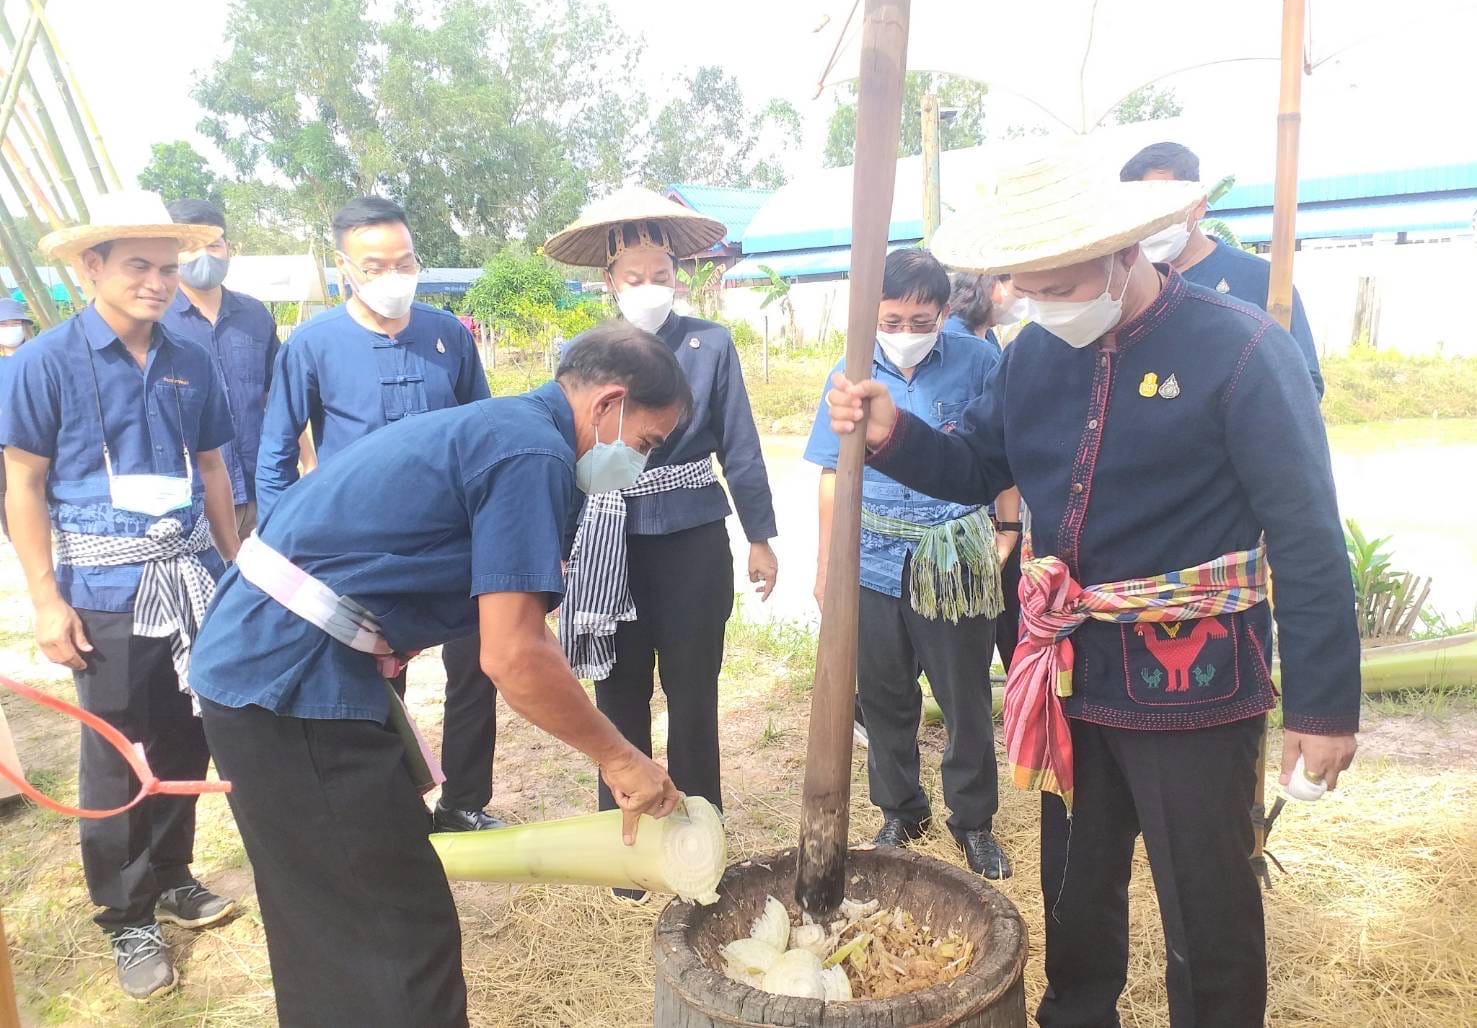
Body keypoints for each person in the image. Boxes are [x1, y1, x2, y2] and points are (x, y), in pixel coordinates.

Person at [825, 149, 1360, 1028]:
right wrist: (893, 436)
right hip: (1068, 672)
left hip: (1194, 679)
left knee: (1208, 896)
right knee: (1073, 886)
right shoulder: (1033, 355)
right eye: (1027, 290)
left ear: (1124, 255)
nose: (1046, 307)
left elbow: (1306, 535)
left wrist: (1323, 707)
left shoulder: (1240, 348)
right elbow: (981, 466)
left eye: (1063, 286)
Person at [188, 322, 688, 1027]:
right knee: (394, 932)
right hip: (289, 678)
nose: (637, 463)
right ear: (608, 404)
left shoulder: (507, 427)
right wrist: (619, 756)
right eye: (645, 444)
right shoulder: (532, 452)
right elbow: (512, 654)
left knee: (332, 918)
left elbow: (510, 620)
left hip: (281, 663)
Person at [0, 191, 244, 1000]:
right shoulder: (43, 364)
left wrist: (232, 568)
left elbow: (212, 468)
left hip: (188, 575)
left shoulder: (190, 357)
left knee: (185, 736)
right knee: (115, 753)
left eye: (168, 267)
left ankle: (171, 876)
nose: (158, 281)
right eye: (137, 265)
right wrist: (45, 597)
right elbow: (24, 485)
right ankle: (125, 914)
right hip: (103, 585)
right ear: (90, 266)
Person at [548, 189, 778, 900]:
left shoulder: (712, 343)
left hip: (690, 538)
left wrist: (760, 535)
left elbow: (739, 444)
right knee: (616, 692)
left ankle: (695, 830)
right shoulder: (581, 353)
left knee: (693, 690)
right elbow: (564, 447)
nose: (649, 288)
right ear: (609, 280)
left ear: (680, 275)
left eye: (661, 275)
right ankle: (626, 845)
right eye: (633, 276)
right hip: (606, 537)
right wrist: (555, 546)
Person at [255, 196, 503, 833]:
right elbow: (277, 452)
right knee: (371, 676)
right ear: (345, 270)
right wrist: (288, 552)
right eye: (376, 266)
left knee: (477, 665)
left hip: (456, 540)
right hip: (361, 549)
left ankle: (464, 801)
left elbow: (487, 429)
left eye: (406, 261)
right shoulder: (312, 346)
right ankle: (391, 806)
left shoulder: (448, 334)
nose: (394, 276)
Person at [805, 249, 1012, 879]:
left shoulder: (981, 362)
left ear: (944, 312)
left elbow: (1002, 455)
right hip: (871, 561)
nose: (904, 334)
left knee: (964, 698)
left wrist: (1007, 530)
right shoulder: (849, 371)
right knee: (884, 695)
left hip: (952, 561)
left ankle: (972, 820)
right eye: (890, 320)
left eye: (920, 320)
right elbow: (829, 477)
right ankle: (901, 810)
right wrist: (826, 565)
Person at [1121, 141, 1325, 396]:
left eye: (1160, 205)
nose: (1149, 220)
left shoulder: (1260, 280)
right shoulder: (1124, 284)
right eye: (1137, 208)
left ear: (1198, 205)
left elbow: (1305, 384)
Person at [159, 199, 280, 540]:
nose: (204, 256)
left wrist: (307, 462)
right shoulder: (155, 323)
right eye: (189, 248)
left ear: (229, 248)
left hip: (263, 490)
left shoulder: (254, 315)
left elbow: (279, 395)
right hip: (193, 501)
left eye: (213, 245)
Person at [943, 272, 1027, 675]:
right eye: (1014, 283)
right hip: (979, 517)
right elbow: (998, 447)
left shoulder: (986, 340)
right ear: (991, 287)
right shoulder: (970, 349)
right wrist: (1008, 527)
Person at [0, 297, 37, 540]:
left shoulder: (39, 358)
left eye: (15, 323)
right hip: (3, 439)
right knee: (6, 489)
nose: (11, 329)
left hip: (35, 437)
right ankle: (14, 534)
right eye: (4, 324)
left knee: (36, 485)